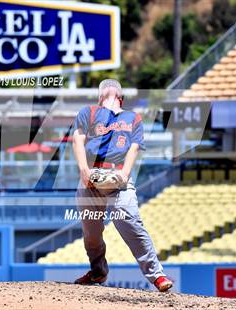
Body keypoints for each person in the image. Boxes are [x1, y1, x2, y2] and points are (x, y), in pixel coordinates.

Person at [72, 79, 173, 292]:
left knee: (129, 221)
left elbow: (134, 148)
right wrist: (83, 171)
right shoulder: (88, 112)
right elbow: (78, 140)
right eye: (105, 87)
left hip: (118, 176)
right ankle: (98, 271)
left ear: (120, 96)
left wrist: (125, 174)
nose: (109, 86)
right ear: (100, 96)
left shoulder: (133, 118)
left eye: (113, 86)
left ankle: (157, 275)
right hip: (91, 175)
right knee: (91, 233)